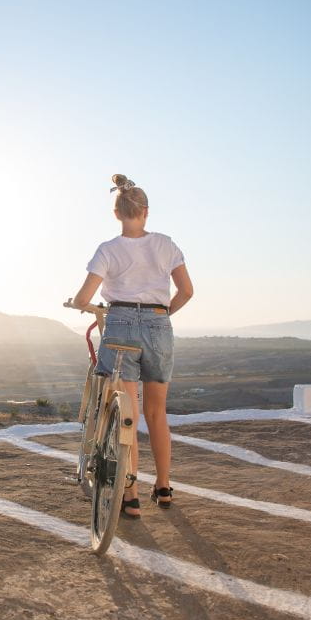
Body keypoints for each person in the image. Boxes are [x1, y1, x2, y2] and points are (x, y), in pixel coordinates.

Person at [70, 174, 193, 518]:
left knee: (128, 412)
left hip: (120, 326)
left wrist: (89, 306)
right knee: (157, 413)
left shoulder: (108, 250)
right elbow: (186, 291)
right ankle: (165, 487)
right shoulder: (166, 245)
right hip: (159, 327)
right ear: (146, 211)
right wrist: (162, 313)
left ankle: (130, 494)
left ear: (117, 214)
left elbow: (83, 298)